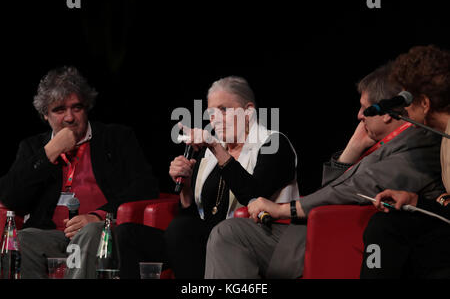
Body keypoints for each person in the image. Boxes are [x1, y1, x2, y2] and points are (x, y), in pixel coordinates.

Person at [204, 62, 445, 279]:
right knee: (224, 233)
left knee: (229, 235)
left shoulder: (420, 142)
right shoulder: (384, 143)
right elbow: (330, 188)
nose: (358, 115)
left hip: (348, 236)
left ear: (385, 114)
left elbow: (359, 188)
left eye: (365, 109)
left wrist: (283, 209)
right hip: (323, 228)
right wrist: (352, 150)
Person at [115, 76, 300, 278]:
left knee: (182, 231)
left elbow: (253, 195)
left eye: (224, 110)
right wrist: (185, 185)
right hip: (202, 239)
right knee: (125, 235)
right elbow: (193, 213)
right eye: (211, 113)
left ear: (248, 111)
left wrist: (216, 149)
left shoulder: (274, 144)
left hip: (253, 239)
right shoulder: (211, 151)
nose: (216, 119)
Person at [0, 66, 159, 278]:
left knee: (91, 232)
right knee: (23, 239)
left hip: (98, 232)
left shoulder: (116, 138)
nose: (69, 118)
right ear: (45, 115)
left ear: (87, 108)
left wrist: (98, 216)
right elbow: (10, 197)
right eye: (59, 110)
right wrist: (51, 150)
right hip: (50, 235)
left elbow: (145, 186)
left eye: (77, 108)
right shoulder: (33, 147)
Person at [360, 45, 450, 278]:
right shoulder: (443, 136)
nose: (405, 106)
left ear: (425, 103)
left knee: (388, 232)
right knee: (386, 225)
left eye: (409, 99)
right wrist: (415, 200)